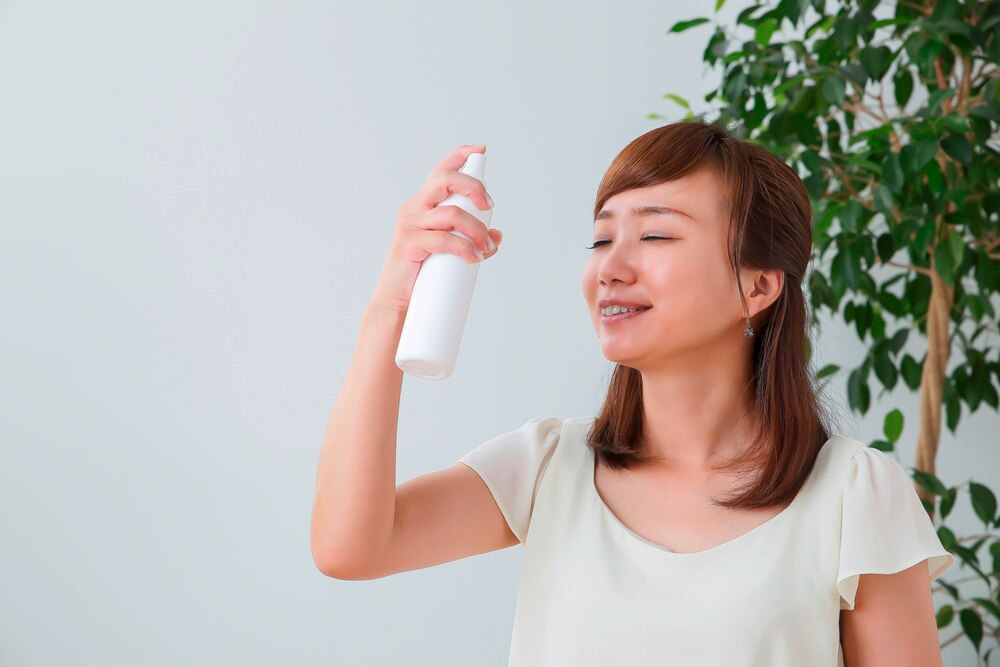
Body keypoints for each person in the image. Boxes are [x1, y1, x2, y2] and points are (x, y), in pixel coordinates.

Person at [310, 121, 956, 666]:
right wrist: (392, 305)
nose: (610, 268)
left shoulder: (852, 494)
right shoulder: (547, 467)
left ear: (757, 286)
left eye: (655, 235)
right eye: (601, 239)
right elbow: (349, 548)